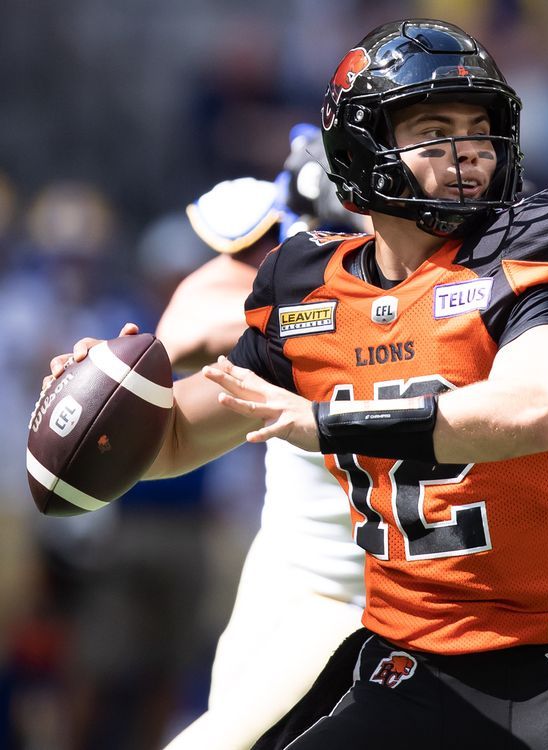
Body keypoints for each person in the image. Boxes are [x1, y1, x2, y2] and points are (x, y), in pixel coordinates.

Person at [47, 19, 548, 750]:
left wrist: (322, 423)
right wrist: (101, 399)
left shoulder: (535, 242)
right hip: (409, 662)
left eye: (478, 128)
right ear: (362, 149)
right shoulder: (307, 289)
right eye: (434, 129)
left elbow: (535, 409)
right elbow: (177, 438)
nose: (467, 151)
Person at [158, 125, 369, 750]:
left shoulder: (475, 276)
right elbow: (186, 323)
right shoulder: (284, 270)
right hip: (293, 569)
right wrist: (310, 318)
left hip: (398, 592)